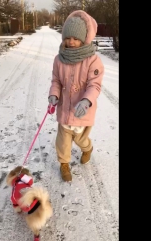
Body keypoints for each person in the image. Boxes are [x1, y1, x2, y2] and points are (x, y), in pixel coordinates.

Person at [48, 10, 104, 182]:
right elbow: (56, 80)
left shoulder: (92, 60)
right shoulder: (59, 59)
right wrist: (54, 95)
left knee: (80, 138)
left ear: (83, 39)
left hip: (82, 110)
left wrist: (87, 100)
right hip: (65, 109)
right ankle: (64, 164)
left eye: (75, 38)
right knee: (63, 140)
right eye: (67, 38)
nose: (71, 42)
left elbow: (94, 84)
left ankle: (87, 148)